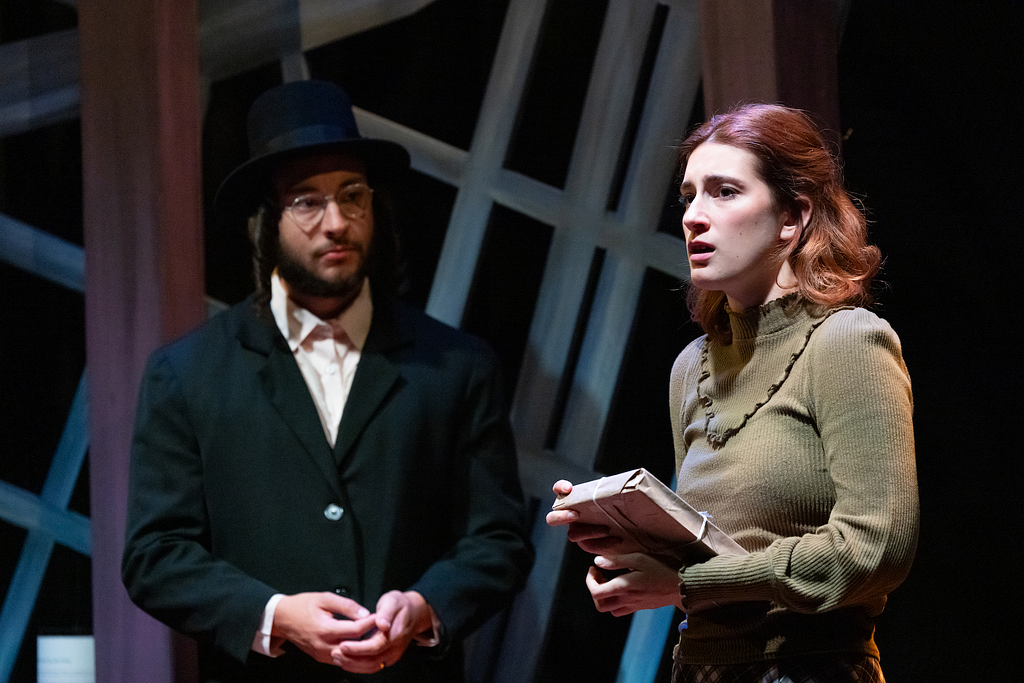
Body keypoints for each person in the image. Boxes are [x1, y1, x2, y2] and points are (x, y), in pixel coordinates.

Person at [122, 79, 534, 683]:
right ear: (265, 221)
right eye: (307, 201)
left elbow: (498, 539)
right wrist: (276, 615)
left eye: (352, 195)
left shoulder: (457, 365)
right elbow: (155, 555)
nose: (335, 222)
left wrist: (425, 607)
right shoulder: (187, 373)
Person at [547, 104, 918, 682]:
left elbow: (875, 550)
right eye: (688, 196)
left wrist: (686, 583)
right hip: (699, 669)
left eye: (723, 192)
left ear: (792, 218)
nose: (694, 216)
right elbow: (722, 551)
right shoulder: (690, 367)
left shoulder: (847, 342)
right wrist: (635, 547)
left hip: (807, 668)